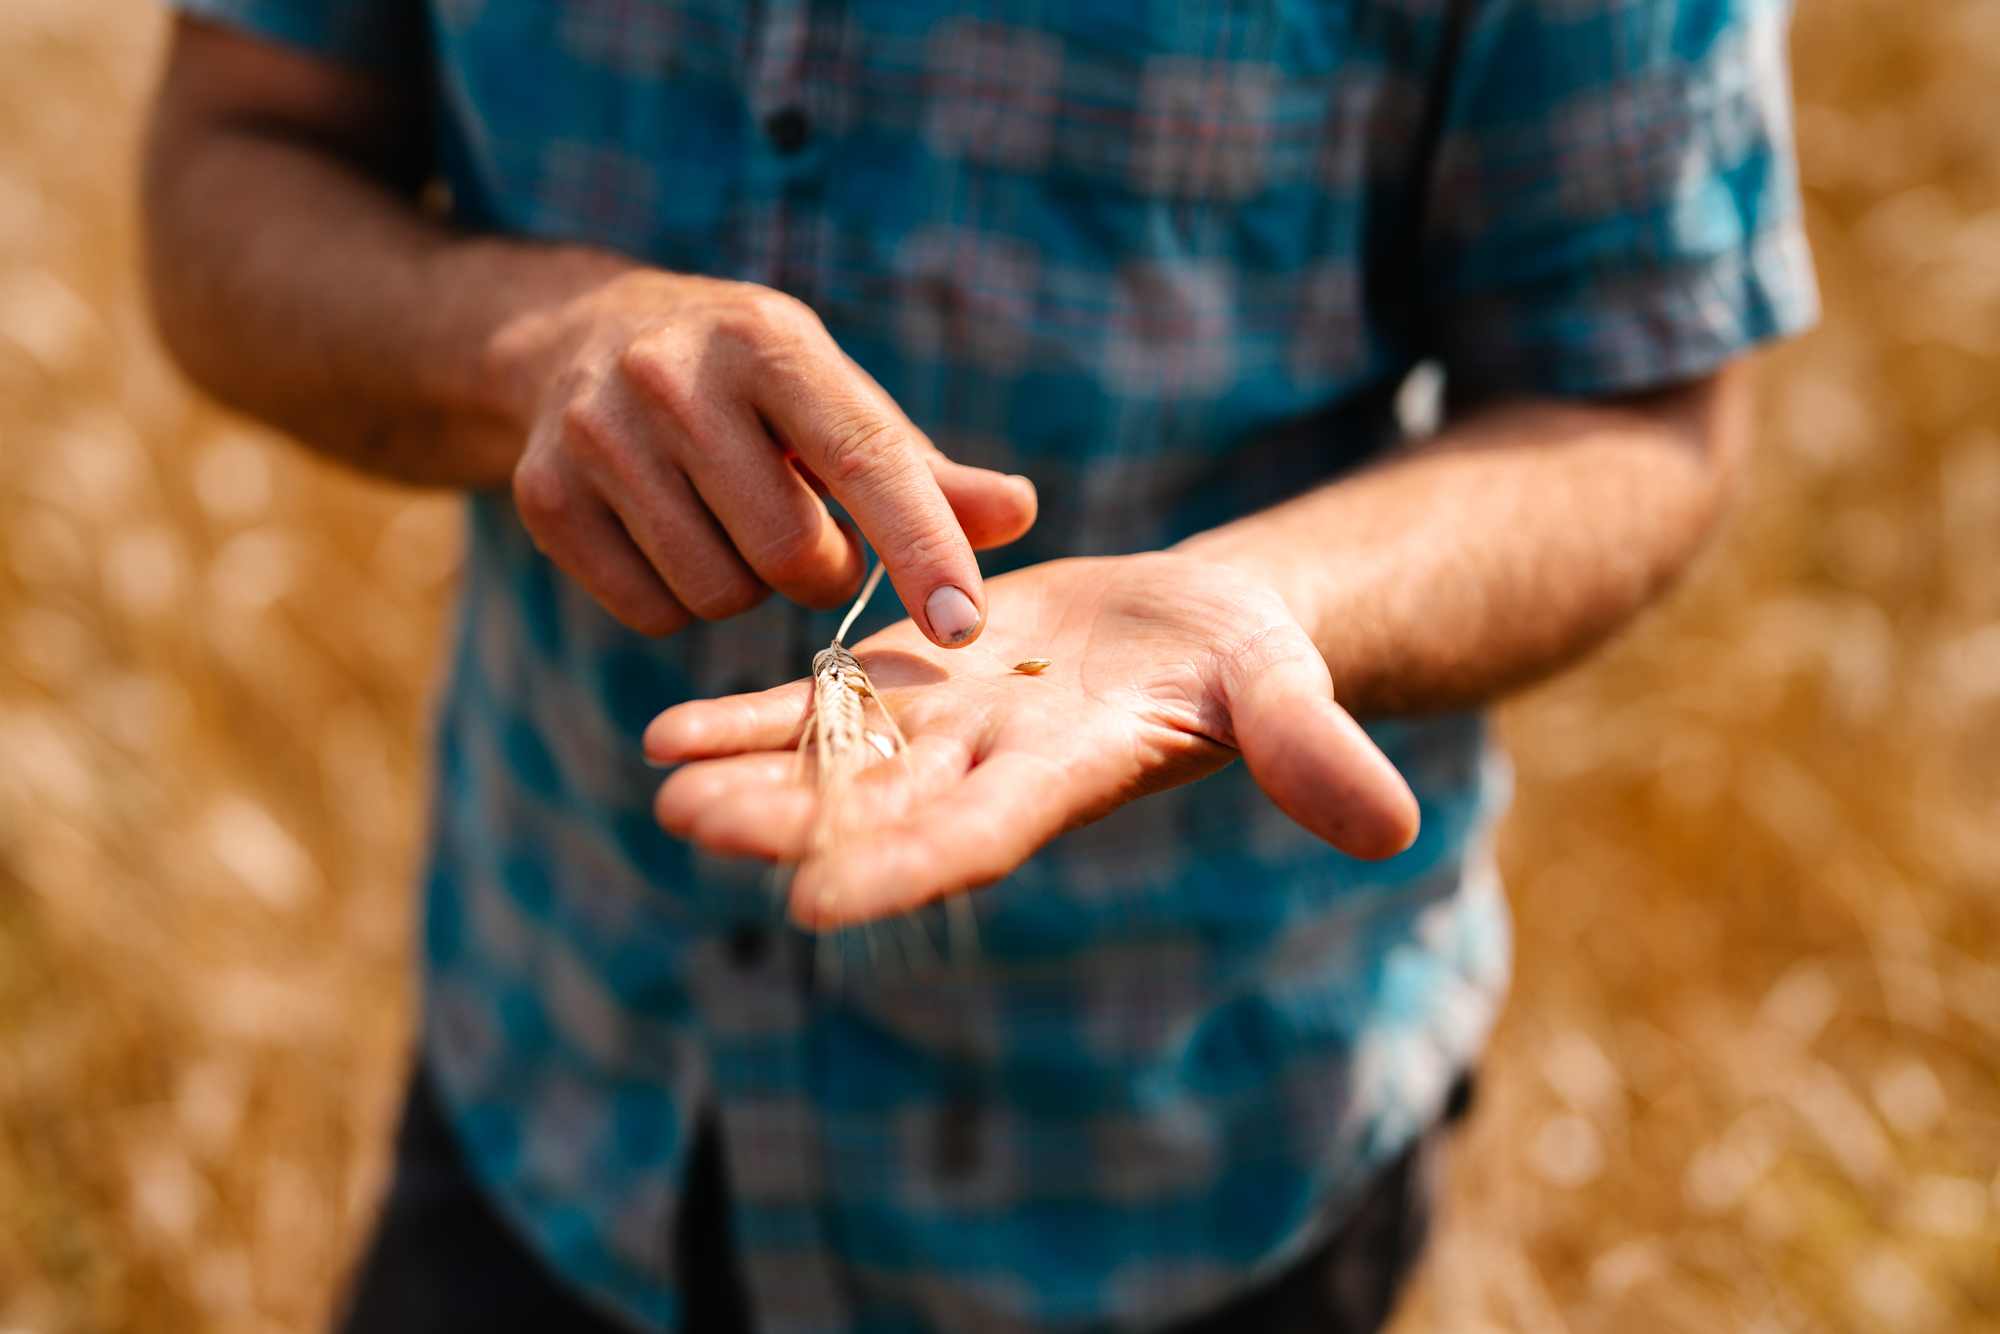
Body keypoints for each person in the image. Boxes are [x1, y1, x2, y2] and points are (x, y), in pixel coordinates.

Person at [142, 1, 1815, 1329]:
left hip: (1199, 1172)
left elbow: (1634, 398)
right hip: (561, 1094)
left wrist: (1261, 603)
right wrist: (531, 347)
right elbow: (233, 148)